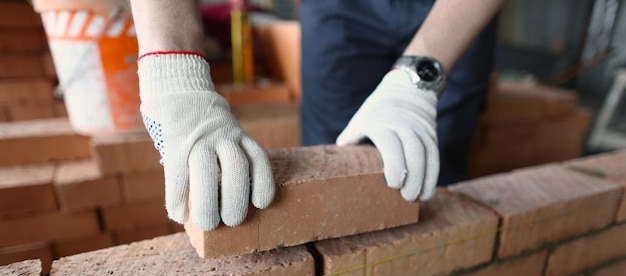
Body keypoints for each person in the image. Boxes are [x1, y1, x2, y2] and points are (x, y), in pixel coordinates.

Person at [129, 0, 504, 232]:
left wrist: (417, 78)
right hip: (339, 6)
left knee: (431, 164)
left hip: (453, 8)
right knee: (329, 153)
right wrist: (173, 72)